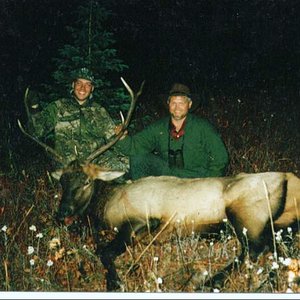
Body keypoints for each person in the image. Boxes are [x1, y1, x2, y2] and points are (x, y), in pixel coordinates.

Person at [116, 83, 229, 180]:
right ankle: (142, 197)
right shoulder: (159, 127)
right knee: (138, 159)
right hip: (169, 176)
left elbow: (220, 158)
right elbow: (135, 146)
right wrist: (122, 138)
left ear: (189, 105)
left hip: (196, 178)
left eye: (181, 103)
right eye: (173, 103)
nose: (177, 107)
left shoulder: (203, 127)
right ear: (168, 104)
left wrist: (210, 181)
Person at [27, 67, 129, 174]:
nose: (82, 89)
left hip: (94, 161)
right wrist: (34, 108)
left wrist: (120, 134)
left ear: (92, 88)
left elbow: (111, 138)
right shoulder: (58, 107)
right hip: (67, 163)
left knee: (123, 167)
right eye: (79, 83)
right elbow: (36, 131)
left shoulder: (99, 110)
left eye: (87, 85)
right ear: (73, 85)